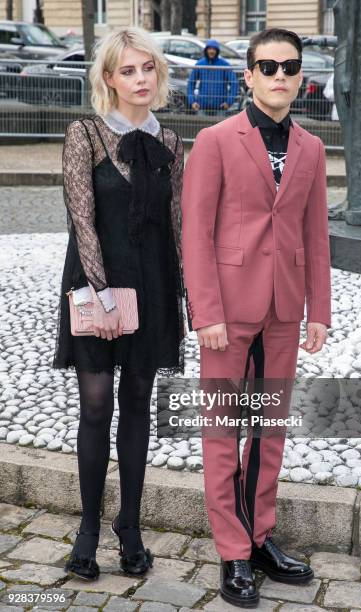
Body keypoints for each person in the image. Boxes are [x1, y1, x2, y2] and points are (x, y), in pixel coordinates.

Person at [181, 27, 331, 608]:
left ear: (300, 76)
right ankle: (232, 551)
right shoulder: (216, 141)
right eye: (266, 66)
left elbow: (315, 236)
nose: (278, 76)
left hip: (283, 312)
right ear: (247, 75)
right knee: (222, 430)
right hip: (227, 313)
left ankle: (260, 535)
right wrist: (206, 312)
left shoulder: (312, 150)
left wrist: (318, 310)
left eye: (288, 67)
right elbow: (195, 234)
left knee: (269, 430)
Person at [52, 27, 185, 580]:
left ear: (158, 75)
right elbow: (81, 220)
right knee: (96, 408)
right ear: (108, 78)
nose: (139, 79)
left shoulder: (173, 143)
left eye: (147, 69)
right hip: (95, 287)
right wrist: (103, 296)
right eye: (127, 71)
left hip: (152, 288)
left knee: (137, 406)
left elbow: (176, 229)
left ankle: (129, 529)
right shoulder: (84, 134)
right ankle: (87, 529)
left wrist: (190, 296)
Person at [187, 39, 239, 115]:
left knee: (220, 127)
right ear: (206, 50)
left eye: (214, 49)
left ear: (217, 51)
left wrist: (229, 102)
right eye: (209, 49)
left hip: (220, 106)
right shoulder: (200, 64)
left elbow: (234, 83)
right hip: (202, 106)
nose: (211, 51)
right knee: (202, 126)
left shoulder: (225, 65)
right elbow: (191, 83)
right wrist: (193, 101)